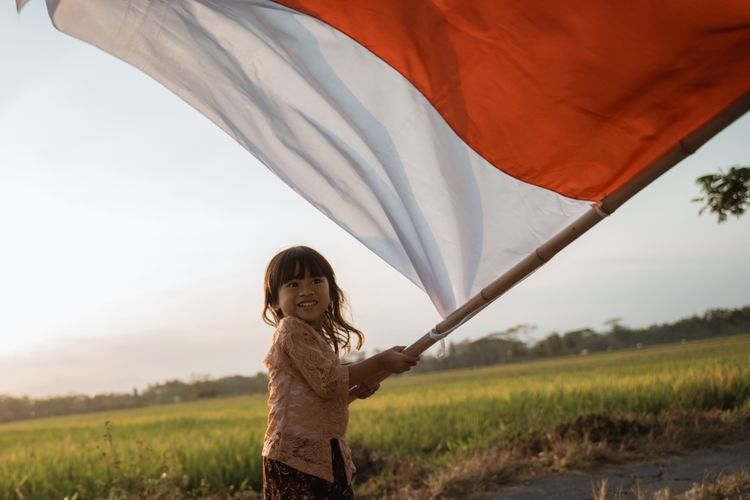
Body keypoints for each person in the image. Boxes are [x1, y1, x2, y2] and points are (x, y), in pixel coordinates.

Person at [261, 246, 419, 499]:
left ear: (331, 291)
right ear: (275, 301)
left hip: (326, 454)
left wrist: (354, 392)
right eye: (293, 284)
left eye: (316, 280)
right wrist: (380, 362)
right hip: (296, 459)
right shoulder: (290, 329)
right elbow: (329, 383)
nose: (307, 290)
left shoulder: (315, 336)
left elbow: (318, 401)